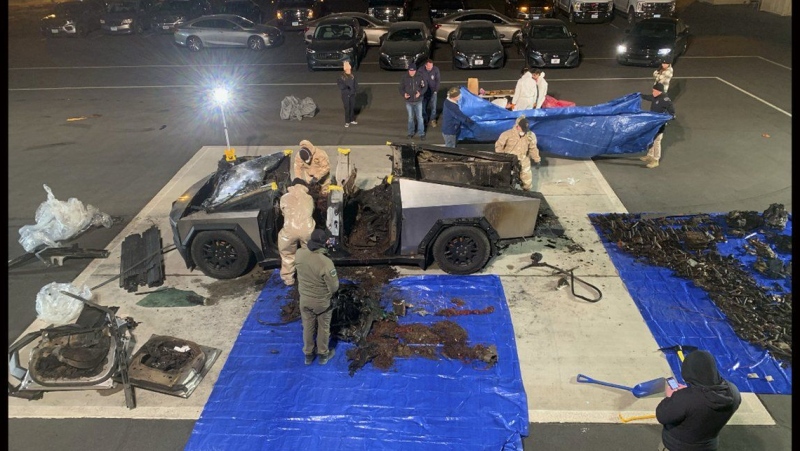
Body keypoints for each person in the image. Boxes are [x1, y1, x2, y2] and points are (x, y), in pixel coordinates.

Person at [656, 350, 741, 451]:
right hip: (708, 446)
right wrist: (689, 392)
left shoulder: (685, 398)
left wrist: (671, 396)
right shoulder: (733, 391)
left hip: (678, 446)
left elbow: (662, 416)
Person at [295, 229, 340, 366]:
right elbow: (334, 287)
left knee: (308, 326)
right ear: (325, 242)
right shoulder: (325, 263)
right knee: (323, 327)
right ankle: (323, 354)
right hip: (321, 303)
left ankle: (308, 354)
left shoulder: (299, 253)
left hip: (305, 300)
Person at [277, 178, 315, 286]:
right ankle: (309, 278)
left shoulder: (284, 198)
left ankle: (288, 279)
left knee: (287, 254)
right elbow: (311, 211)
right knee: (308, 254)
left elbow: (283, 213)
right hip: (307, 230)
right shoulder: (309, 197)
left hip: (290, 230)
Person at [494, 116, 541, 191]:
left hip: (523, 159)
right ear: (517, 126)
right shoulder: (507, 134)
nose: (524, 131)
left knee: (527, 180)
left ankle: (526, 193)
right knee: (506, 179)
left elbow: (533, 148)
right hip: (509, 160)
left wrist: (537, 159)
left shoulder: (530, 135)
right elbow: (499, 146)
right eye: (522, 129)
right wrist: (502, 157)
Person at [639, 82, 676, 169]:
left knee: (657, 141)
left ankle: (656, 160)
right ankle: (650, 155)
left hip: (659, 125)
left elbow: (671, 109)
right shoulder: (655, 97)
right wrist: (640, 95)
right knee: (651, 139)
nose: (653, 92)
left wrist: (671, 115)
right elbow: (648, 97)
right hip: (653, 123)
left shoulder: (665, 99)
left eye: (654, 90)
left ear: (659, 91)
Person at [398, 63, 427, 139]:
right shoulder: (404, 77)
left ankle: (421, 133)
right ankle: (410, 132)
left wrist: (420, 93)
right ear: (408, 70)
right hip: (409, 101)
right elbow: (401, 88)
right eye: (410, 71)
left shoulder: (420, 77)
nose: (412, 72)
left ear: (415, 70)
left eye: (413, 71)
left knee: (420, 117)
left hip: (418, 101)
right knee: (410, 118)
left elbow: (425, 86)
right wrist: (404, 94)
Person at [418, 59, 441, 128]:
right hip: (423, 92)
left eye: (431, 66)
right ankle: (425, 119)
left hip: (433, 91)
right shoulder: (420, 70)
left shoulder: (436, 70)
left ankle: (433, 119)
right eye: (429, 67)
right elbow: (418, 80)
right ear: (426, 65)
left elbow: (438, 80)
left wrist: (436, 90)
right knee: (423, 106)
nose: (430, 68)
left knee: (433, 107)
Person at [337, 61, 358, 128]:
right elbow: (340, 86)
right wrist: (347, 87)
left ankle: (352, 119)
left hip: (352, 94)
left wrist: (355, 90)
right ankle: (347, 121)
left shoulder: (352, 76)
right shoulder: (342, 77)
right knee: (347, 108)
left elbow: (355, 84)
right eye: (348, 68)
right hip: (345, 95)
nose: (349, 70)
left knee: (352, 107)